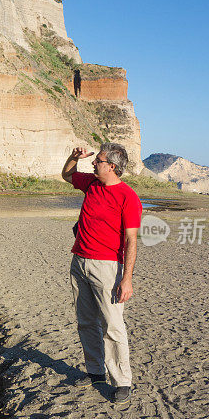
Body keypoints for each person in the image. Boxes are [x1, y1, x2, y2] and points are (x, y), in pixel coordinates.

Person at [61, 142, 141, 403]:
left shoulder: (128, 197)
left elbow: (131, 240)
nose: (94, 163)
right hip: (79, 262)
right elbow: (68, 175)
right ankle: (96, 372)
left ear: (113, 167)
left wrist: (126, 279)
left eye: (99, 161)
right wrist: (74, 158)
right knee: (86, 322)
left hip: (107, 267)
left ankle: (122, 382)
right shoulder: (92, 184)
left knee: (113, 325)